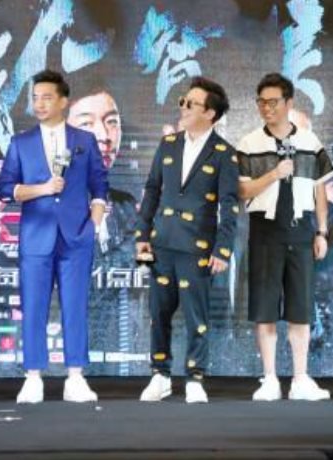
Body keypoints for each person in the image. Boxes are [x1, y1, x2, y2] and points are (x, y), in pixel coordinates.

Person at [0, 70, 108, 403]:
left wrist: (93, 225)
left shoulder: (84, 140)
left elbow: (100, 186)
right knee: (33, 307)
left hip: (76, 237)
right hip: (36, 236)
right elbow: (4, 189)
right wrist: (42, 189)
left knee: (75, 306)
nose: (40, 104)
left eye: (47, 97)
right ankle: (33, 377)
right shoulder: (21, 142)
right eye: (35, 98)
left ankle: (76, 377)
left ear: (63, 101)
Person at [135, 76, 238, 403]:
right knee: (159, 313)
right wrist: (142, 234)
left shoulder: (224, 153)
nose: (182, 107)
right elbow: (152, 190)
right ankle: (160, 374)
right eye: (183, 101)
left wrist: (223, 248)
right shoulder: (168, 144)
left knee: (197, 317)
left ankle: (195, 377)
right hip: (162, 242)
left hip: (197, 248)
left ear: (210, 113)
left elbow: (229, 206)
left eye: (191, 103)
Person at [236, 73, 332, 401]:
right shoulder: (249, 143)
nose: (267, 108)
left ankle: (301, 378)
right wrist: (274, 174)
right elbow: (242, 190)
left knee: (300, 307)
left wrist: (322, 231)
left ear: (289, 103)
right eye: (261, 102)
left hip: (302, 229)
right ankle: (270, 378)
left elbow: (320, 189)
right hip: (265, 230)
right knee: (265, 308)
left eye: (273, 102)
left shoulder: (310, 141)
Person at [67, 88, 143, 375]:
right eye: (87, 123)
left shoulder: (127, 206)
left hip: (118, 355)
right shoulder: (44, 200)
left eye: (111, 122)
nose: (103, 135)